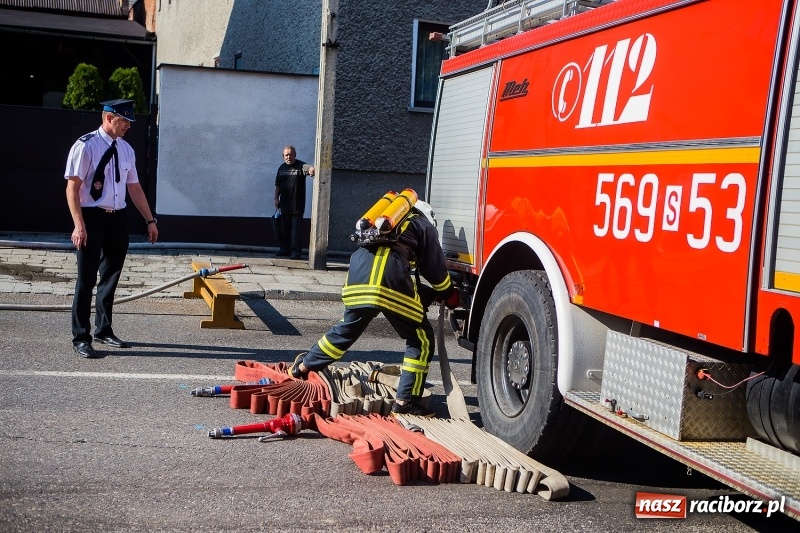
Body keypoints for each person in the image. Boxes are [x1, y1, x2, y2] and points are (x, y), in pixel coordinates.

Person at [287, 199, 460, 417]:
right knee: (421, 338)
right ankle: (406, 401)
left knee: (346, 329)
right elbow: (435, 270)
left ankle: (304, 366)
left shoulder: (384, 224)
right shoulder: (422, 224)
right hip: (388, 280)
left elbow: (408, 279)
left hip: (359, 274)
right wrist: (449, 294)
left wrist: (429, 295)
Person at [64, 99, 159, 359]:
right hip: (92, 217)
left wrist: (150, 220)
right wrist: (79, 225)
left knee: (110, 278)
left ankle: (103, 330)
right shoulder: (85, 146)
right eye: (125, 120)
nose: (129, 126)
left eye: (129, 121)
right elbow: (72, 188)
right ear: (109, 118)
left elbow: (135, 188)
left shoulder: (127, 150)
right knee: (86, 279)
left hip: (117, 218)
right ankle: (81, 337)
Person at [274, 145, 315, 259]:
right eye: (286, 155)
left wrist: (311, 170)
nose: (289, 157)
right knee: (284, 230)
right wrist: (276, 198)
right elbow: (278, 185)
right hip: (284, 205)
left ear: (295, 155)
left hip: (297, 205)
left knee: (295, 232)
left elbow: (308, 168)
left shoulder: (300, 166)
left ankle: (296, 252)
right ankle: (284, 250)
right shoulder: (281, 168)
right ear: (283, 156)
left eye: (291, 155)